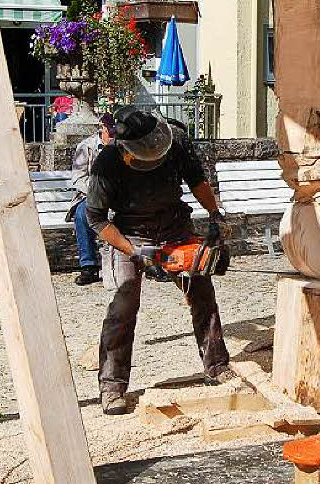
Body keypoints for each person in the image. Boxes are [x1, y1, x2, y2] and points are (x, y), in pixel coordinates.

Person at [86, 106, 235, 415]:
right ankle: (112, 386)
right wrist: (133, 251)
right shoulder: (108, 162)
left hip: (175, 227)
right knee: (123, 303)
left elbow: (197, 182)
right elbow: (97, 220)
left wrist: (215, 214)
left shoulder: (177, 143)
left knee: (202, 294)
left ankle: (217, 366)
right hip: (129, 232)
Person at [68, 114, 115, 286]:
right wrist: (96, 193)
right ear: (102, 128)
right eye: (110, 131)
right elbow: (78, 178)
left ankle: (145, 260)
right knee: (82, 213)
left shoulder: (124, 146)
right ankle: (88, 265)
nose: (113, 136)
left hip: (119, 196)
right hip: (90, 195)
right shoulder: (86, 147)